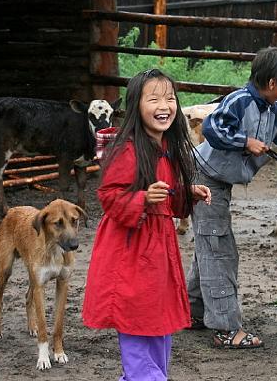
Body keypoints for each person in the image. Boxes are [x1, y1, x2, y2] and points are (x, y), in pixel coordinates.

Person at [82, 69, 211, 381]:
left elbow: (169, 202)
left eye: (169, 98)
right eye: (153, 99)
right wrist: (141, 199)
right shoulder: (126, 149)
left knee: (158, 321)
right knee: (137, 319)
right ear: (136, 106)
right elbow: (109, 196)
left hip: (158, 252)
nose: (163, 105)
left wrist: (185, 193)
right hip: (130, 253)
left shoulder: (168, 150)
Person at [187, 47, 277, 349]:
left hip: (220, 181)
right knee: (220, 249)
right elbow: (212, 127)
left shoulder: (274, 112)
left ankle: (191, 311)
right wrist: (245, 142)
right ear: (272, 83)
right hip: (204, 179)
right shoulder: (239, 101)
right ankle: (226, 329)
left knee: (209, 242)